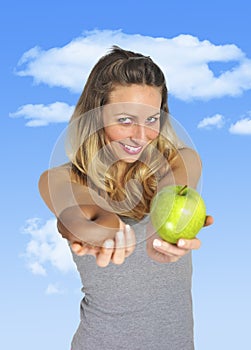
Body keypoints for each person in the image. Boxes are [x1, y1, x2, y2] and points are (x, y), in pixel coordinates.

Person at [39, 46, 213, 350]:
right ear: (95, 117)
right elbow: (79, 216)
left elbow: (170, 193)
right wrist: (102, 231)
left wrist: (161, 232)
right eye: (124, 119)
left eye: (151, 119)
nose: (141, 134)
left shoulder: (183, 161)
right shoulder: (60, 179)